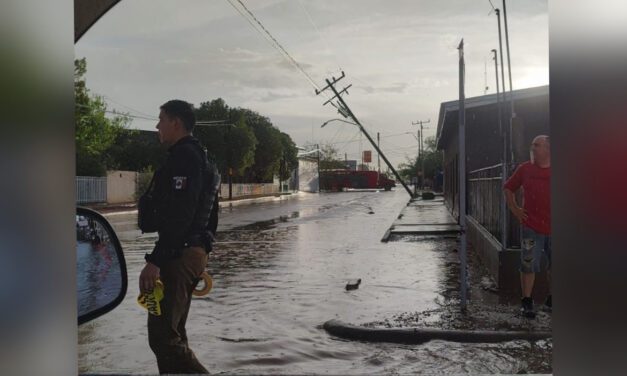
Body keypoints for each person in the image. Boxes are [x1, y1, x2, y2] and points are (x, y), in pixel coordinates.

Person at [139, 99, 220, 374]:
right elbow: (211, 217)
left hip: (179, 254)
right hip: (192, 251)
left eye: (161, 119)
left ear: (176, 122)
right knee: (175, 335)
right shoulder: (205, 157)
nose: (157, 125)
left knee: (163, 338)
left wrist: (156, 260)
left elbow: (180, 215)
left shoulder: (184, 157)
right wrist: (202, 248)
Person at [503, 135, 551, 319]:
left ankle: (552, 300)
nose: (532, 148)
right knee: (528, 263)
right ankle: (527, 301)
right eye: (531, 145)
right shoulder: (525, 169)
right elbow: (508, 188)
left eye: (536, 145)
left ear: (548, 149)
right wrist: (514, 209)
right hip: (531, 227)